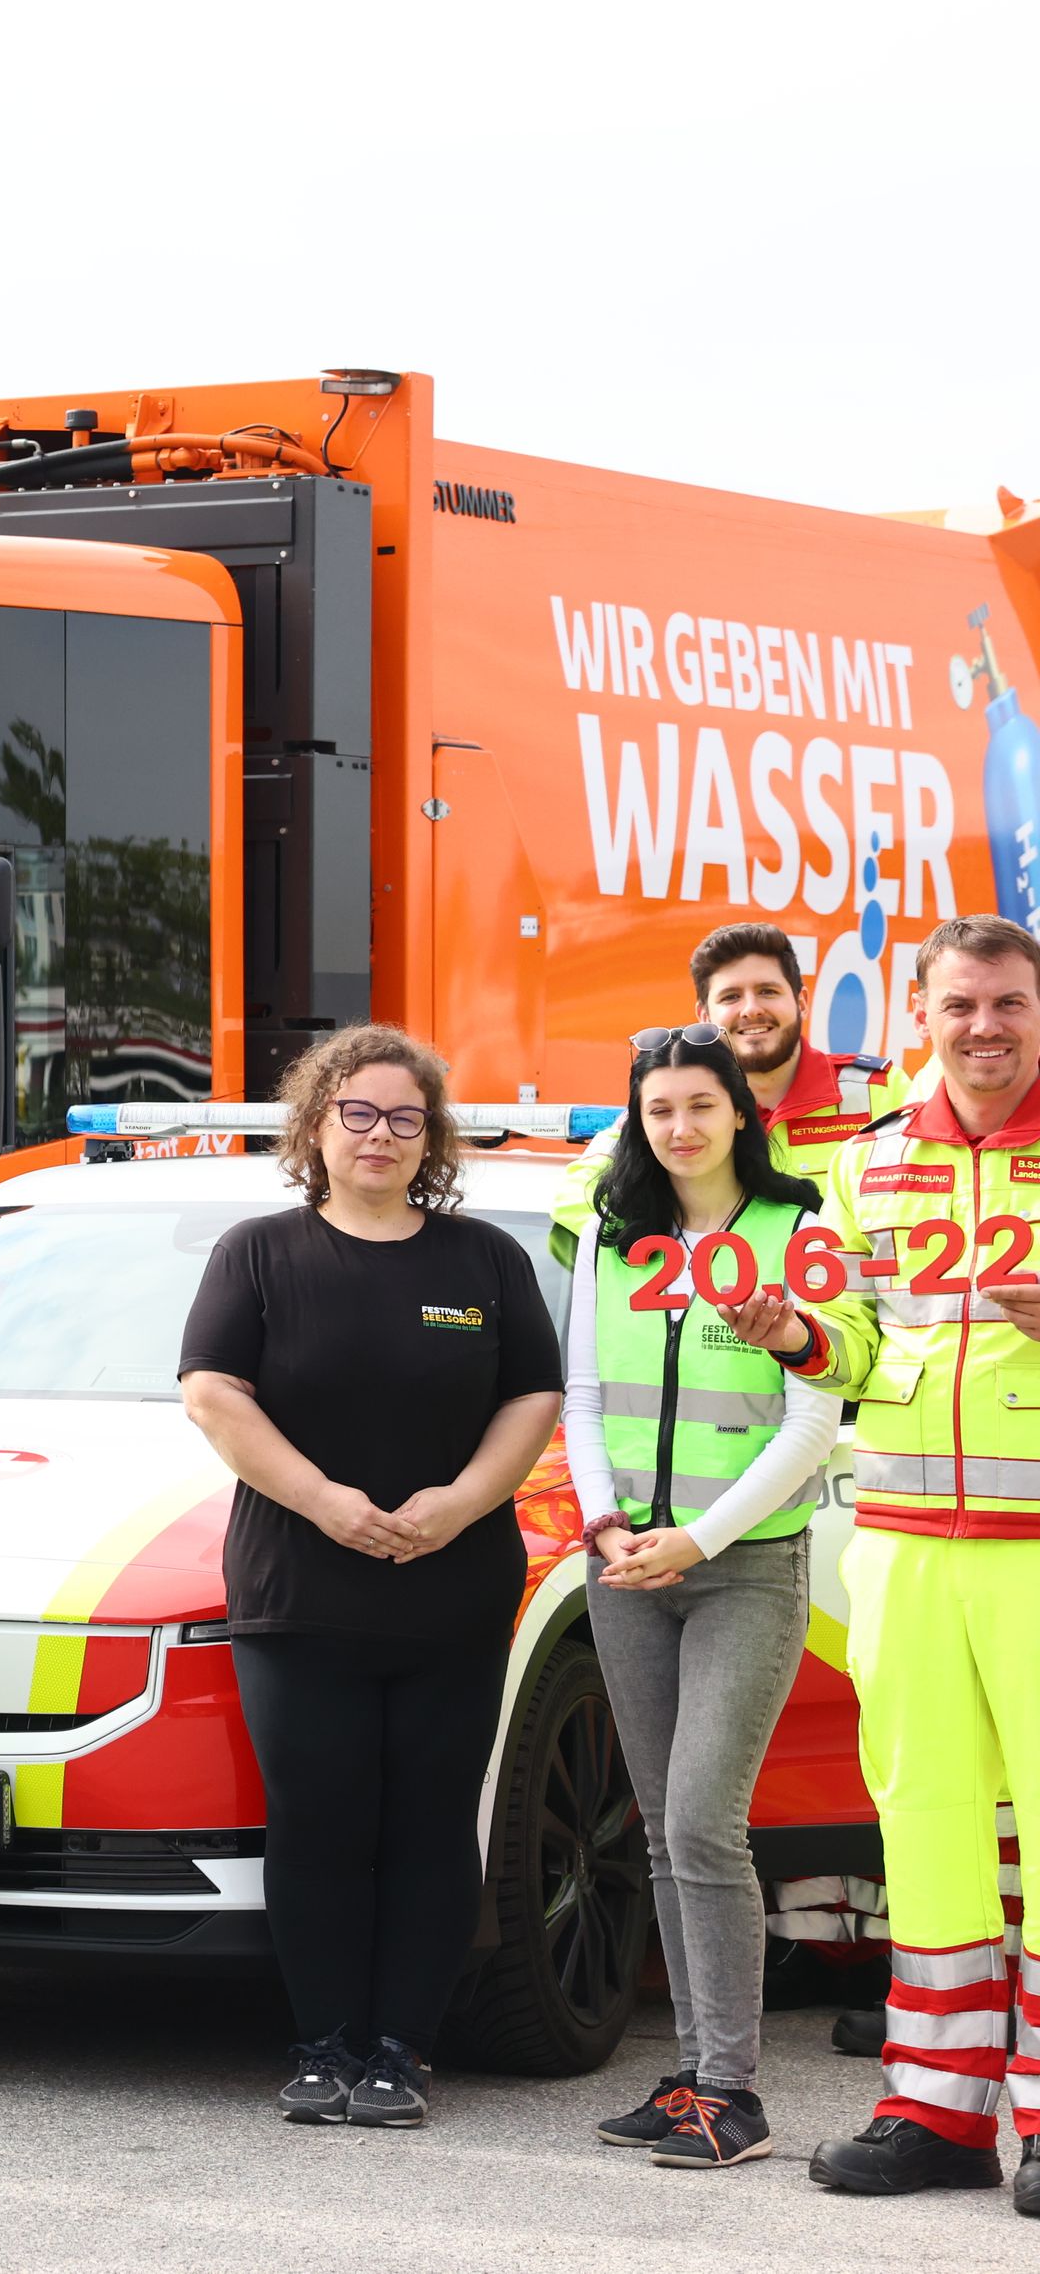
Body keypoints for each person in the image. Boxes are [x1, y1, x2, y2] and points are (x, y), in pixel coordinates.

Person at [178, 1023, 561, 2130]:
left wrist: (459, 1503)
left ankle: (400, 2050)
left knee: (432, 1822)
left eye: (405, 1118)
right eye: (358, 1113)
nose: (380, 1135)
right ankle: (321, 2043)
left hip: (451, 1589)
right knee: (319, 1818)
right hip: (300, 1591)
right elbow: (213, 1394)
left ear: (430, 1137)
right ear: (316, 1125)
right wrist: (326, 1502)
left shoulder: (483, 1260)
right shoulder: (256, 1253)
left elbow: (531, 1398)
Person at [565, 1024, 848, 2171]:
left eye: (699, 1105)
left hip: (743, 1564)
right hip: (625, 1562)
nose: (677, 1128)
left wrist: (698, 1536)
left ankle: (732, 2092)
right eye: (656, 1109)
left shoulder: (800, 1227)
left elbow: (814, 1418)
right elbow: (582, 1391)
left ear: (741, 1110)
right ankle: (690, 2073)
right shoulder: (614, 1234)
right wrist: (606, 1524)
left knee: (700, 1821)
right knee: (663, 1834)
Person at [797, 916, 1040, 2209]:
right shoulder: (871, 1160)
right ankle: (938, 2110)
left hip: (1038, 1554)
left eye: (1008, 1001)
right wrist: (790, 1327)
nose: (985, 1025)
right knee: (927, 1833)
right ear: (922, 1012)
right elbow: (843, 1335)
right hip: (901, 1544)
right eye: (961, 1004)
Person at [557, 923, 904, 1254]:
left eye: (767, 991)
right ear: (704, 1015)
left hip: (842, 1311)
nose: (751, 1009)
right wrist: (678, 1252)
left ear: (801, 1001)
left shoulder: (881, 1091)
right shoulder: (673, 1109)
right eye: (731, 996)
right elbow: (573, 1200)